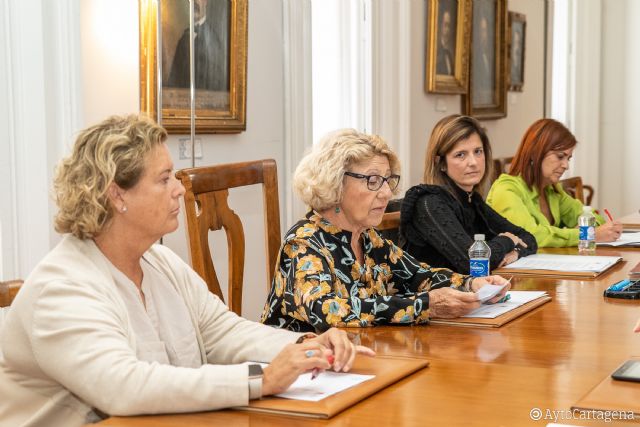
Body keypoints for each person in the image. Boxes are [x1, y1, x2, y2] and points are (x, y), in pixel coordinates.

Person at [0, 115, 373, 427]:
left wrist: (305, 345)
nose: (179, 190)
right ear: (117, 196)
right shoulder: (61, 289)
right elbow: (124, 387)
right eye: (163, 179)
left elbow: (220, 332)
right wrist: (259, 380)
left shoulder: (158, 261)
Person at [260, 129, 510, 333]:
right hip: (301, 376)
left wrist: (472, 283)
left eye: (388, 179)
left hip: (359, 359)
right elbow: (329, 312)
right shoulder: (304, 243)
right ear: (334, 183)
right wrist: (425, 306)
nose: (387, 193)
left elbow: (418, 275)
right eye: (372, 180)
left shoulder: (369, 238)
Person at [399, 115, 537, 274]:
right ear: (441, 163)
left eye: (478, 152)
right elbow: (471, 262)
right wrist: (508, 240)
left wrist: (516, 253)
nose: (473, 162)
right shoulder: (429, 203)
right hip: (435, 296)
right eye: (460, 155)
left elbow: (528, 238)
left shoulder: (472, 200)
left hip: (469, 291)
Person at [487, 118, 622, 247]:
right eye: (560, 156)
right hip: (512, 270)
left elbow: (591, 216)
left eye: (568, 158)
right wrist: (586, 234)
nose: (566, 165)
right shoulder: (506, 190)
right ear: (535, 153)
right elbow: (530, 236)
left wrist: (590, 230)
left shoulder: (551, 189)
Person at [166, 0, 229, 91]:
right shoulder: (183, 40)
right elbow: (172, 83)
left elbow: (218, 86)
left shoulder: (215, 41)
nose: (195, 1)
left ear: (206, 2)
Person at [436, 7, 455, 75]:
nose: (447, 30)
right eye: (445, 25)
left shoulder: (449, 56)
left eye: (449, 26)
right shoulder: (436, 52)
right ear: (440, 26)